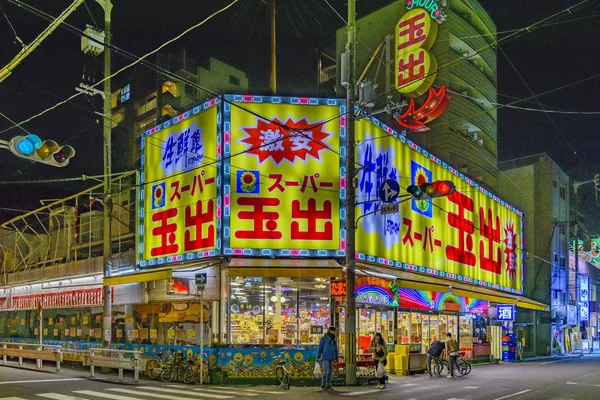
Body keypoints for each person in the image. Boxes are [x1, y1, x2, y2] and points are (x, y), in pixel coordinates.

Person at [317, 326, 338, 391]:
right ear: (330, 331)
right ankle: (323, 385)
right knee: (327, 371)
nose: (334, 332)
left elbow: (335, 349)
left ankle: (328, 385)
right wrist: (318, 356)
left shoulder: (334, 339)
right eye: (333, 331)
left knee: (330, 371)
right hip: (325, 356)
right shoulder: (324, 338)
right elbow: (320, 347)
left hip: (331, 357)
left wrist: (336, 357)